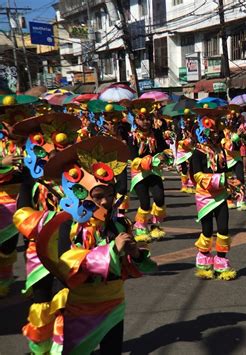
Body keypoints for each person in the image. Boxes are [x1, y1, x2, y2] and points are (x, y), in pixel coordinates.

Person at [14, 136, 157, 354]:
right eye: (98, 196)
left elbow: (128, 268)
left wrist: (135, 254)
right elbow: (66, 265)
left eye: (109, 194)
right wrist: (111, 251)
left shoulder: (119, 224)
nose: (106, 202)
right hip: (80, 306)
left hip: (114, 302)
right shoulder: (68, 226)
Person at [12, 112, 81, 354]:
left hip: (70, 248)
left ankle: (64, 346)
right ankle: (40, 346)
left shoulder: (76, 177)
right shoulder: (31, 178)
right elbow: (21, 212)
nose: (53, 153)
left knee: (67, 299)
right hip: (37, 249)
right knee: (41, 299)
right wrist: (52, 220)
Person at [191, 106, 236, 280]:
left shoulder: (221, 151)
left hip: (220, 194)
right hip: (204, 196)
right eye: (212, 131)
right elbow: (197, 176)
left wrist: (232, 183)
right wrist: (222, 180)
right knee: (208, 229)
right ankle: (203, 260)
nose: (216, 135)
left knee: (223, 228)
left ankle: (221, 262)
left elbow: (225, 170)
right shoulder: (198, 152)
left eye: (218, 131)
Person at [0, 94, 37, 297]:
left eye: (17, 119)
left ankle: (34, 280)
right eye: (7, 118)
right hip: (5, 198)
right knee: (6, 244)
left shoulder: (33, 140)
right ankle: (4, 279)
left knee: (33, 241)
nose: (13, 123)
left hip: (32, 193)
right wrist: (3, 163)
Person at [127, 99, 171, 243]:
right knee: (144, 202)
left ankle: (155, 225)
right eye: (142, 119)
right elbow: (132, 157)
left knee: (159, 198)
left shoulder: (157, 133)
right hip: (139, 173)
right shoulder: (132, 137)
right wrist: (143, 161)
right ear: (136, 120)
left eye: (148, 119)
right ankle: (140, 225)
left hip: (154, 171)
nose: (145, 122)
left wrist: (164, 155)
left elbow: (165, 148)